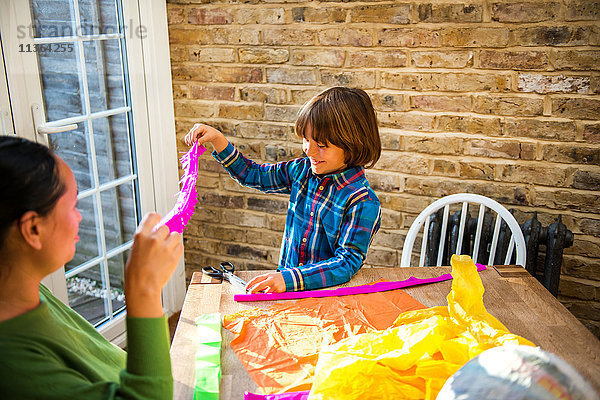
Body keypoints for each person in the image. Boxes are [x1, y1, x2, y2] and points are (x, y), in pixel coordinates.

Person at [0, 136, 183, 399]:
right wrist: (144, 290)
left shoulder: (26, 291)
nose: (80, 216)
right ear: (33, 228)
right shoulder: (13, 368)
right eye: (73, 205)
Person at [184, 86, 382, 294]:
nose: (309, 150)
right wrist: (218, 140)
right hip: (285, 292)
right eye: (306, 139)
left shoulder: (363, 202)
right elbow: (253, 174)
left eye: (321, 144)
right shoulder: (301, 171)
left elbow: (346, 263)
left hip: (327, 299)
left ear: (354, 145)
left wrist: (288, 279)